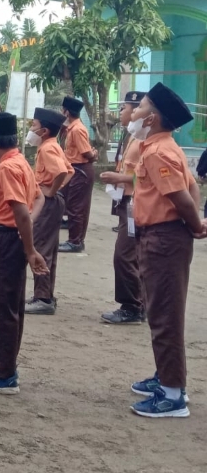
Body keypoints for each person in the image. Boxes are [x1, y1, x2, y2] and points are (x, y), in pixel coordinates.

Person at [127, 83, 206, 419]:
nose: (134, 113)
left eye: (141, 107)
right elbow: (191, 186)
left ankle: (172, 394)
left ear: (153, 117)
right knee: (161, 311)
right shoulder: (163, 146)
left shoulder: (158, 152)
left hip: (163, 238)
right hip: (161, 237)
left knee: (164, 315)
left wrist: (196, 225)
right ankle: (166, 377)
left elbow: (181, 197)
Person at [0, 112, 48, 395]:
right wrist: (25, 228)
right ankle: (1, 364)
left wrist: (29, 248)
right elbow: (38, 199)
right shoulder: (20, 162)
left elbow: (20, 211)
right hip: (10, 236)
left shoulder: (6, 168)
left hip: (3, 239)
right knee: (10, 304)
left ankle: (2, 375)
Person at [99, 92, 147, 324]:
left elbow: (148, 178)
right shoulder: (131, 136)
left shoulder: (144, 140)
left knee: (125, 256)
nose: (123, 112)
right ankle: (139, 303)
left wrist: (121, 178)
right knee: (131, 254)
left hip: (134, 203)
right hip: (125, 201)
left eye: (126, 108)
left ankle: (132, 306)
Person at [24, 108, 73, 316]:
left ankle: (42, 297)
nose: (31, 129)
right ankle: (45, 294)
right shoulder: (52, 145)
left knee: (41, 247)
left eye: (33, 126)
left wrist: (51, 191)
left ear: (43, 131)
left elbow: (62, 172)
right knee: (48, 248)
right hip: (52, 201)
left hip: (48, 202)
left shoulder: (47, 149)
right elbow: (70, 170)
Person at [58, 96, 97, 253]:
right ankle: (75, 239)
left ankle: (75, 241)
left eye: (63, 110)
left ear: (66, 112)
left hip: (81, 169)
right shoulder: (70, 128)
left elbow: (86, 153)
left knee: (77, 208)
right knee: (72, 205)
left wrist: (94, 154)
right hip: (74, 169)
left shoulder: (77, 129)